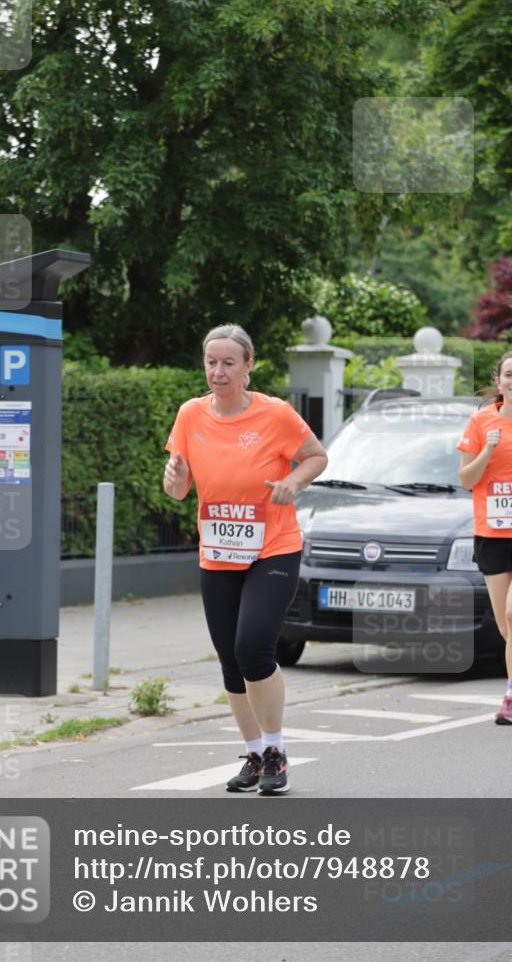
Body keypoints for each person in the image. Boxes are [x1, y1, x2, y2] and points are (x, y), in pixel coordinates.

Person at [163, 324, 327, 793]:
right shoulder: (190, 414)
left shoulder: (274, 414)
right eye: (211, 362)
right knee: (230, 662)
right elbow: (178, 491)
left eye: (228, 363)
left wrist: (292, 482)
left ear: (248, 365)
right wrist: (174, 477)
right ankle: (254, 755)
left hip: (272, 548)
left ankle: (276, 751)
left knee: (253, 647)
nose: (218, 371)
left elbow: (316, 456)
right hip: (218, 552)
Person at [457, 350, 512, 724]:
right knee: (507, 624)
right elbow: (467, 479)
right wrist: (489, 448)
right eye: (508, 374)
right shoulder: (480, 422)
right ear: (498, 382)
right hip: (492, 531)